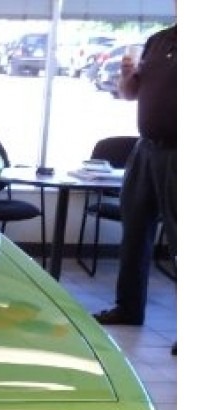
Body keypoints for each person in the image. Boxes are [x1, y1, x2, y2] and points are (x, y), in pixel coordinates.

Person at [93, 21, 176, 347]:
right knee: (135, 231)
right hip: (146, 149)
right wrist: (127, 77)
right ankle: (128, 308)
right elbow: (130, 94)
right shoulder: (157, 41)